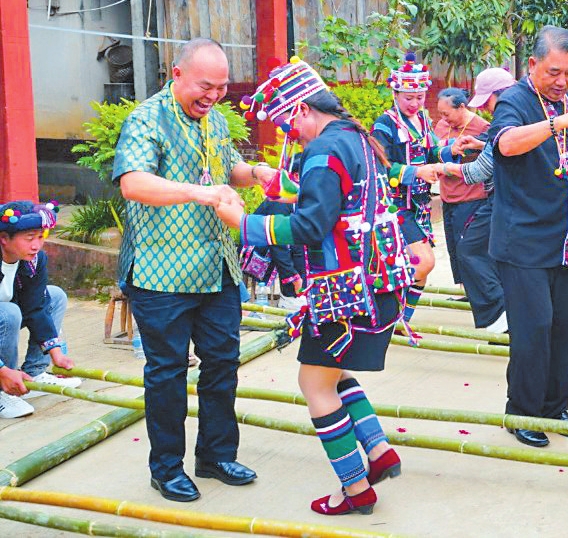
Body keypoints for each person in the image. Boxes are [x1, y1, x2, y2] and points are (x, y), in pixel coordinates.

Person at [217, 59, 412, 516]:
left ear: (303, 109)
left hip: (346, 292)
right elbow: (340, 201)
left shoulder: (324, 150)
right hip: (379, 281)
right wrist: (290, 188)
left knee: (313, 382)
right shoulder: (357, 139)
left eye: (289, 126)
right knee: (334, 374)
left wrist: (244, 223)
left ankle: (355, 487)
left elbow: (310, 226)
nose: (292, 136)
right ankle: (379, 450)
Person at [113, 38, 270, 502]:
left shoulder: (216, 119)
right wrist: (200, 193)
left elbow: (228, 166)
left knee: (223, 363)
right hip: (161, 271)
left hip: (217, 266)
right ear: (177, 74)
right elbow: (133, 183)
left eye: (221, 87)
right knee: (167, 372)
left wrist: (256, 173)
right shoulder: (146, 119)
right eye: (206, 86)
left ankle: (216, 455)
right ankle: (166, 468)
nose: (214, 95)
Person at [489, 26, 568, 448]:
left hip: (566, 236)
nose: (563, 81)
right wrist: (558, 123)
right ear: (533, 64)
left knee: (566, 329)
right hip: (524, 241)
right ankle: (522, 412)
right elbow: (506, 144)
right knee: (533, 329)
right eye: (554, 72)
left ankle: (556, 406)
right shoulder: (515, 100)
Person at [437, 68, 518, 333]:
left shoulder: (502, 121)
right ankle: (502, 315)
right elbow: (497, 148)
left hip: (492, 198)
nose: (485, 108)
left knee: (472, 251)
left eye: (488, 101)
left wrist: (446, 168)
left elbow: (479, 171)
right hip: (505, 198)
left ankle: (498, 314)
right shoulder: (513, 117)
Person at [371, 54, 445, 331]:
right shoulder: (385, 124)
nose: (414, 103)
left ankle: (400, 321)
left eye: (419, 97)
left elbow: (433, 151)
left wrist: (453, 150)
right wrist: (416, 172)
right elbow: (379, 165)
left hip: (420, 205)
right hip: (395, 205)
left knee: (422, 269)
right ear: (395, 94)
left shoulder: (423, 120)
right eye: (408, 98)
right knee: (423, 262)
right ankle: (385, 314)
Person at [0, 201, 80, 419]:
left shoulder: (34, 261)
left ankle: (34, 372)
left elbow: (36, 307)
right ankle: (4, 389)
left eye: (40, 237)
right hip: (5, 315)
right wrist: (3, 371)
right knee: (9, 312)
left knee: (54, 296)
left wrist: (56, 353)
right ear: (4, 238)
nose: (36, 245)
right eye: (29, 238)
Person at [433, 88, 490, 297]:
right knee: (454, 247)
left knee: (470, 247)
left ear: (462, 107)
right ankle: (465, 290)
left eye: (447, 114)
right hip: (448, 195)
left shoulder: (482, 127)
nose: (443, 119)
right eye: (441, 114)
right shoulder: (442, 126)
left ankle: (479, 292)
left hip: (472, 197)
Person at [239, 196, 307, 314]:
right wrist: (292, 277)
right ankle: (290, 297)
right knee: (294, 242)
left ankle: (294, 294)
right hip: (260, 252)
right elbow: (277, 244)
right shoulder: (280, 201)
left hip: (276, 248)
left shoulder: (298, 198)